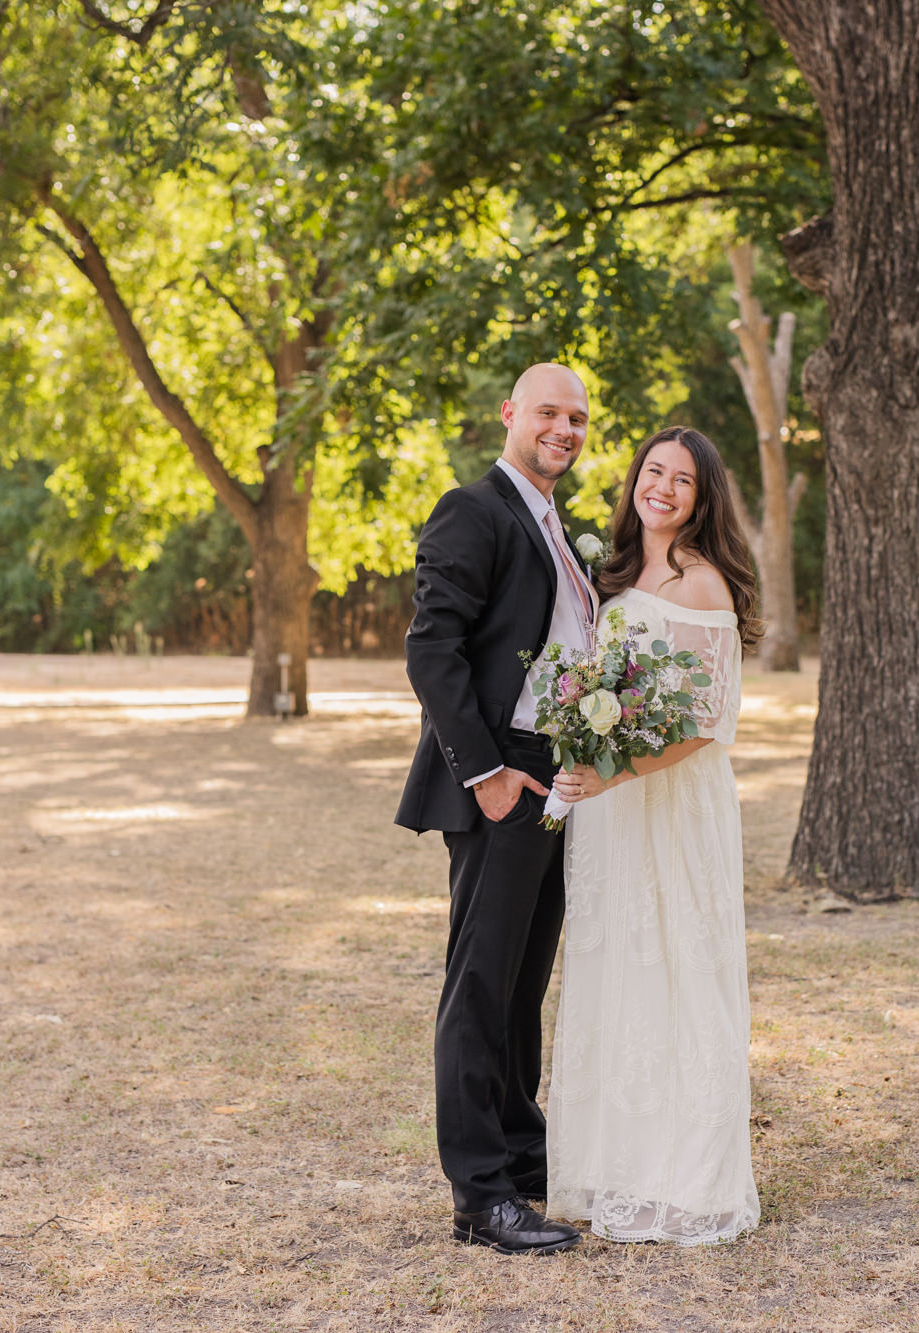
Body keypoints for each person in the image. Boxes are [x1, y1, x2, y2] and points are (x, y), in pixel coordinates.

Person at [395, 363, 601, 1255]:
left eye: (580, 418)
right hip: (501, 779)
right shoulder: (471, 508)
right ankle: (478, 1197)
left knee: (522, 984)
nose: (566, 428)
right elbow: (430, 646)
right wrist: (485, 774)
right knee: (480, 986)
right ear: (511, 414)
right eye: (550, 412)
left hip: (554, 778)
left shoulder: (559, 526)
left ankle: (523, 1161)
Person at [547, 425, 763, 1246]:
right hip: (612, 812)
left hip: (670, 802)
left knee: (677, 969)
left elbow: (709, 722)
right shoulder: (612, 572)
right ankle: (614, 1165)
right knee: (615, 970)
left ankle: (688, 1181)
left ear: (704, 499)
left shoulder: (702, 583)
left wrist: (615, 772)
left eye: (683, 480)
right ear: (634, 478)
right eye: (653, 471)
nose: (663, 487)